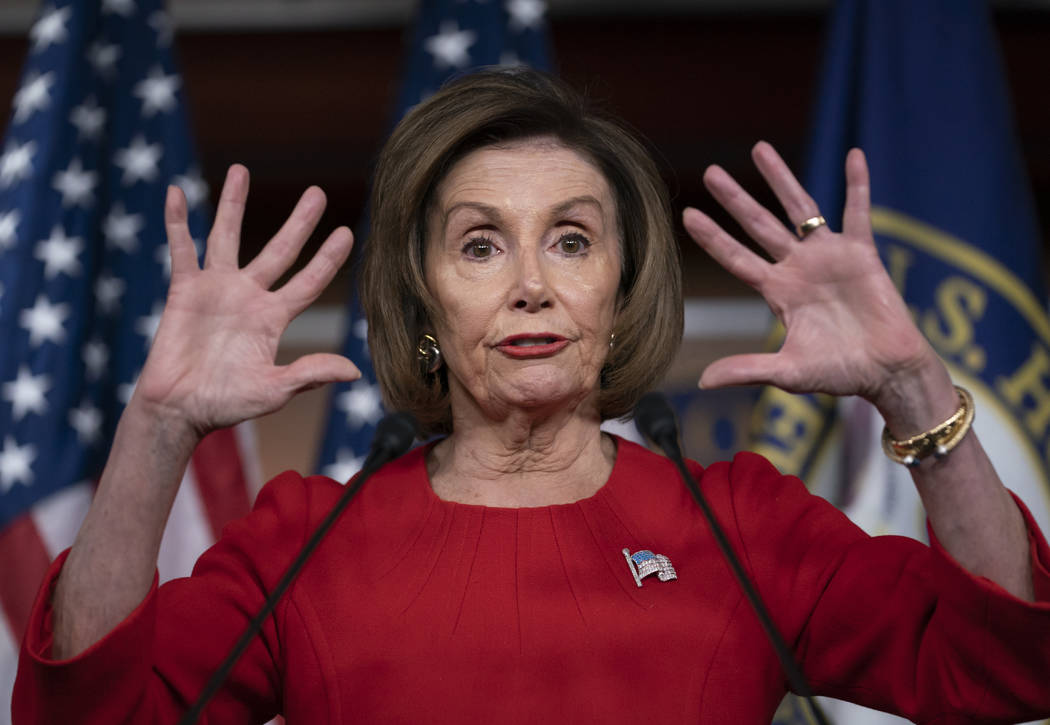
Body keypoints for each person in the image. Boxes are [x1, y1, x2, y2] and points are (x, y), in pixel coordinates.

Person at [13, 68, 1050, 724]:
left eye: (571, 238)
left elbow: (1004, 668)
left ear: (618, 286)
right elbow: (86, 716)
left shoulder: (745, 523)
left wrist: (915, 386)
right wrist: (154, 429)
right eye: (479, 243)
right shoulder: (303, 541)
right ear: (421, 295)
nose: (530, 283)